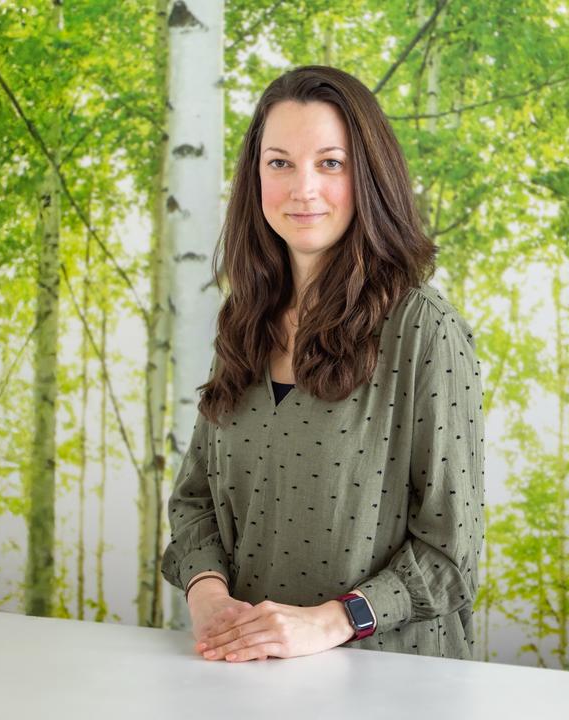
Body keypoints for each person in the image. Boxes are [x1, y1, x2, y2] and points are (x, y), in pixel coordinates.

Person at [159, 65, 485, 663]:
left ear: (369, 177)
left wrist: (331, 622)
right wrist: (208, 596)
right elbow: (195, 499)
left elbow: (451, 556)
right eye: (279, 162)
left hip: (393, 684)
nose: (301, 189)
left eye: (329, 163)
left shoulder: (423, 329)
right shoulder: (245, 316)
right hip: (247, 681)